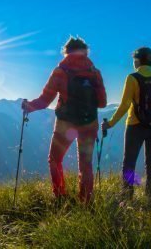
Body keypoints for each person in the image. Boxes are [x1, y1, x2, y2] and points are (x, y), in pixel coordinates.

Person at [22, 36, 107, 203]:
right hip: (89, 123)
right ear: (85, 52)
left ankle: (60, 197)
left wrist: (28, 106)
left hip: (65, 124)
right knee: (86, 164)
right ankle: (86, 202)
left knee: (55, 160)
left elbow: (45, 100)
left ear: (66, 51)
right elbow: (103, 103)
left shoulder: (60, 71)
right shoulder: (95, 73)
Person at [101, 47, 151, 201]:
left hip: (136, 126)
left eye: (134, 60)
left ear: (138, 61)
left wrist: (111, 123)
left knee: (129, 163)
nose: (133, 63)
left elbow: (125, 105)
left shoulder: (132, 78)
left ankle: (126, 198)